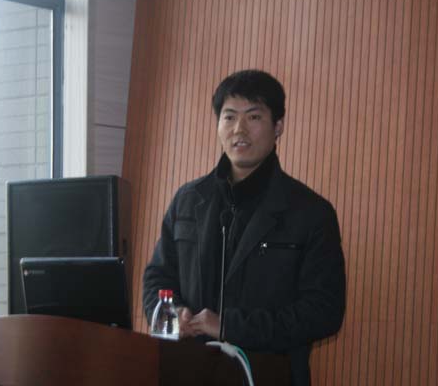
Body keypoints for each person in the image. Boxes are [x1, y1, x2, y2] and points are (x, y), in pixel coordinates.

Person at [142, 70, 346, 386]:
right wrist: (174, 315)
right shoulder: (188, 201)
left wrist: (230, 327)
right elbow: (157, 279)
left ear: (278, 126)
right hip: (188, 371)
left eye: (253, 117)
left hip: (269, 375)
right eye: (229, 117)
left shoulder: (311, 212)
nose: (239, 129)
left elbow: (323, 312)